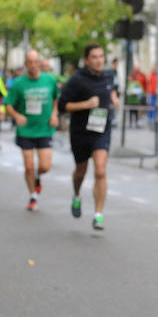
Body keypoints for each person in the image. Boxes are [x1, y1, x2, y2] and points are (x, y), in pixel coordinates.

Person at [58, 44, 119, 231]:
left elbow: (111, 90)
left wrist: (114, 99)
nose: (99, 60)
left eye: (101, 56)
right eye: (94, 57)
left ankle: (98, 215)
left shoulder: (109, 75)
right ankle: (77, 194)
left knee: (100, 171)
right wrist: (86, 104)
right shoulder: (76, 79)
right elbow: (62, 106)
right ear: (87, 60)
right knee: (81, 171)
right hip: (80, 132)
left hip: (101, 131)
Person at [3, 50, 60, 211]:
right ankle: (33, 195)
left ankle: (37, 177)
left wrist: (54, 114)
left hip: (44, 129)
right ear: (26, 64)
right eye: (30, 62)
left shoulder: (49, 80)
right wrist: (16, 115)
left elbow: (56, 99)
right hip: (26, 130)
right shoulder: (19, 83)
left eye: (36, 62)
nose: (33, 65)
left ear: (40, 63)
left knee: (45, 166)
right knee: (28, 166)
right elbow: (8, 105)